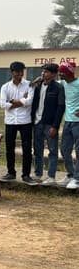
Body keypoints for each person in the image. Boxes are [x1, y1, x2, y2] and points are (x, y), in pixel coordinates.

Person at [0, 61, 36, 184]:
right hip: (10, 121)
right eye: (17, 72)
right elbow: (2, 104)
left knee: (27, 149)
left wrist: (13, 101)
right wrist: (21, 101)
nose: (20, 74)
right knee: (9, 148)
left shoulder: (29, 85)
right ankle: (11, 172)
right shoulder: (5, 87)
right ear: (12, 72)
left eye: (21, 72)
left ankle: (26, 174)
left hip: (25, 120)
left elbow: (29, 101)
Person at [30, 63, 65, 185]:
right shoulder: (38, 86)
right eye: (43, 71)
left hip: (50, 124)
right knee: (37, 150)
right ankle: (38, 174)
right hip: (37, 122)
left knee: (52, 150)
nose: (43, 73)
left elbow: (60, 107)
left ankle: (51, 176)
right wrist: (33, 83)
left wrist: (55, 126)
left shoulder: (58, 88)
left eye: (46, 72)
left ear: (54, 74)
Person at [58, 61, 79, 189]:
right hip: (67, 122)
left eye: (62, 72)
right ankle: (71, 175)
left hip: (78, 123)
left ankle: (77, 179)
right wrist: (39, 80)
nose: (60, 74)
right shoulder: (63, 83)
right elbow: (50, 82)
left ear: (69, 73)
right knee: (65, 150)